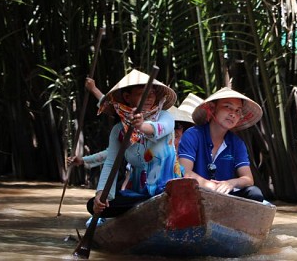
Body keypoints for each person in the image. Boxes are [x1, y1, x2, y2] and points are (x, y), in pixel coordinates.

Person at [86, 69, 181, 218]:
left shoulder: (165, 116)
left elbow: (158, 129)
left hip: (168, 191)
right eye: (142, 93)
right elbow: (111, 163)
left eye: (152, 93)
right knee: (94, 205)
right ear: (127, 97)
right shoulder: (119, 130)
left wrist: (141, 126)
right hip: (139, 196)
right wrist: (101, 195)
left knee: (173, 199)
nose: (149, 97)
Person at [177, 87, 265, 202]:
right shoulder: (193, 135)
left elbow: (248, 179)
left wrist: (230, 183)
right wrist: (211, 186)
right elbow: (184, 172)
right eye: (227, 107)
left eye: (237, 111)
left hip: (225, 195)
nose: (233, 114)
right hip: (196, 192)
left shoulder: (237, 143)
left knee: (254, 193)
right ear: (213, 109)